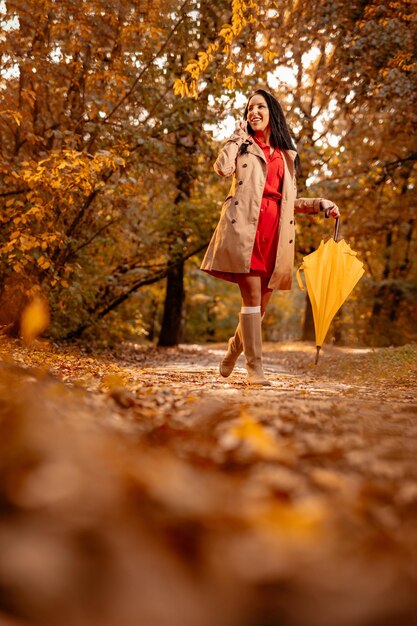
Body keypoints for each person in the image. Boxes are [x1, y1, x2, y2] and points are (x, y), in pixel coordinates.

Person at [200, 88, 340, 386]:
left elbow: (288, 201)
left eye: (260, 107)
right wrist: (236, 137)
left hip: (275, 235)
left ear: (271, 112)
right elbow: (222, 169)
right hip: (244, 230)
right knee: (250, 300)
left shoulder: (285, 155)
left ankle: (233, 350)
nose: (254, 112)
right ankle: (255, 369)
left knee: (259, 309)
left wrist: (319, 205)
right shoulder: (243, 146)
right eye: (250, 109)